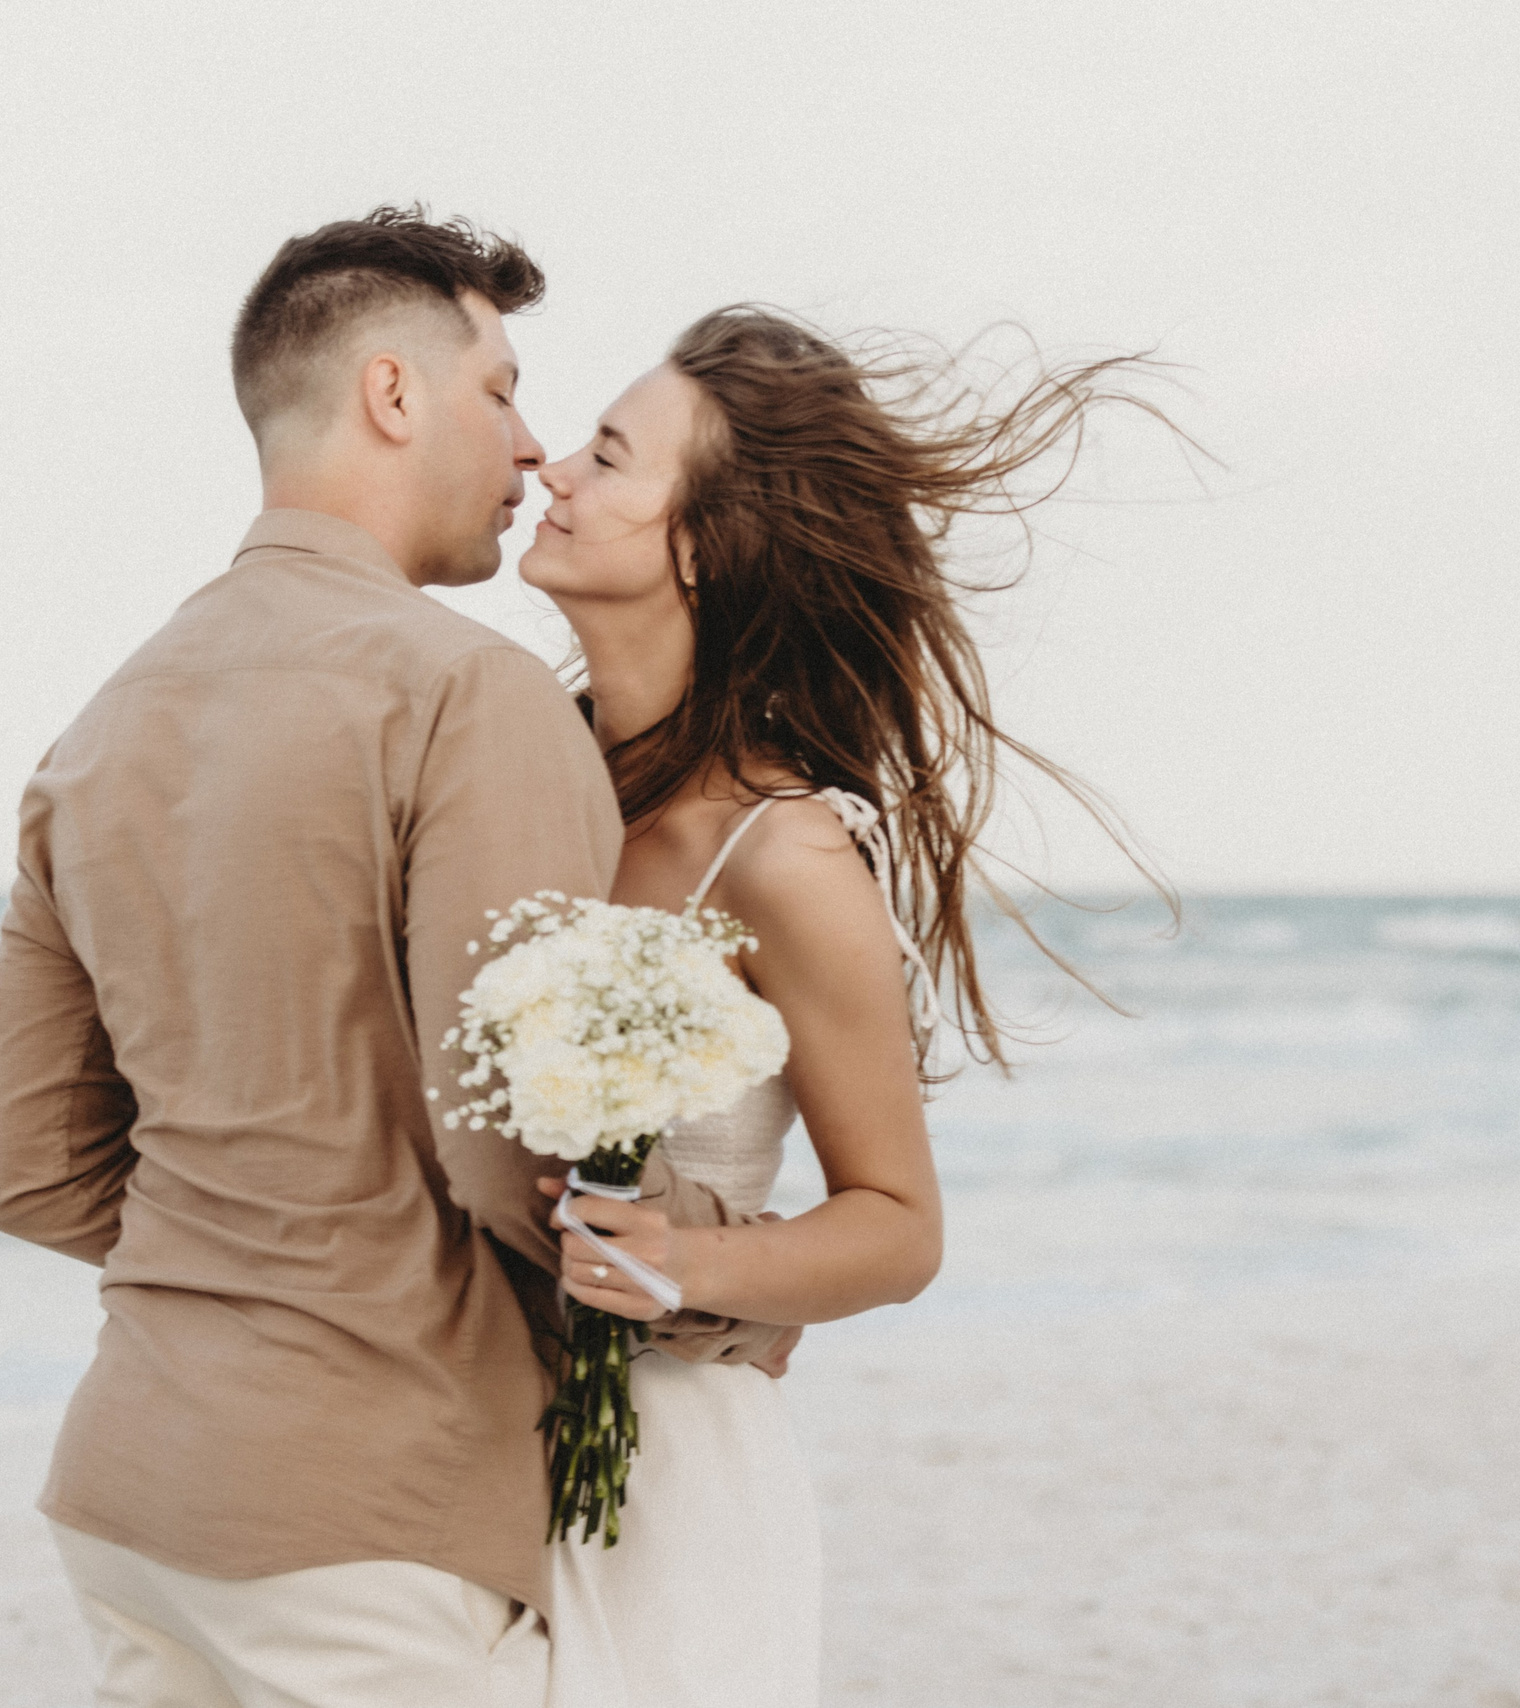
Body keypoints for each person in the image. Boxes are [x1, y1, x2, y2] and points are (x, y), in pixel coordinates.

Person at [0, 208, 791, 1708]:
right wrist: (743, 1291)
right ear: (392, 396)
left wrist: (245, 1270)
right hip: (364, 1525)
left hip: (128, 1494)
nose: (533, 446)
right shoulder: (464, 693)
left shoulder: (95, 732)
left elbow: (32, 1174)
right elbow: (513, 1157)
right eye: (500, 389)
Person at [515, 305, 1170, 1708]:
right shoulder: (509, 768)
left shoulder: (787, 857)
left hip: (663, 1474)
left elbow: (897, 1227)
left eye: (609, 456)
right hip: (459, 1451)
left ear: (702, 544)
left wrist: (684, 1269)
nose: (551, 469)